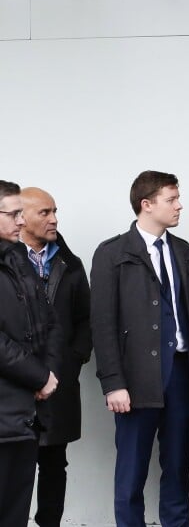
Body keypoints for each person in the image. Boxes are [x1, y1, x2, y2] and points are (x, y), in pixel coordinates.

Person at [90, 171, 189, 527]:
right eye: (171, 199)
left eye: (178, 198)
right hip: (134, 379)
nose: (179, 206)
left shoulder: (185, 252)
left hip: (181, 373)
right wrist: (113, 382)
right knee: (131, 470)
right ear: (146, 205)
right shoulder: (112, 253)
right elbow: (102, 323)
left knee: (177, 465)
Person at [20, 187, 92, 527]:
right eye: (44, 213)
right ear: (21, 218)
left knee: (53, 464)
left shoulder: (70, 262)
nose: (54, 219)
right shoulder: (6, 260)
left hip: (59, 381)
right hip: (14, 386)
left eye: (55, 211)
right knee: (12, 469)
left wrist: (71, 361)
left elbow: (84, 319)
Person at [0, 180, 61, 527]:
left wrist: (48, 377)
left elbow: (50, 322)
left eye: (22, 214)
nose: (20, 222)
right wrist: (38, 375)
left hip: (27, 415)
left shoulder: (20, 260)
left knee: (15, 514)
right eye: (12, 214)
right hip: (6, 410)